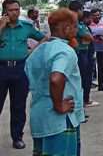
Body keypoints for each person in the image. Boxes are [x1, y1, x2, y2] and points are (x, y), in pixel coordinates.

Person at [24, 8, 84, 155]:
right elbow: (56, 78)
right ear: (66, 28)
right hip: (61, 120)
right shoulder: (64, 51)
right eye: (75, 26)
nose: (76, 30)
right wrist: (58, 106)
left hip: (41, 116)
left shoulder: (39, 49)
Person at [0, 0, 47, 149]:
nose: (14, 13)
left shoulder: (26, 26)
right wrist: (1, 26)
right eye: (11, 10)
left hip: (21, 70)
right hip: (1, 69)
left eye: (17, 9)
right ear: (4, 11)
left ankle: (17, 137)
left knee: (19, 106)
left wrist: (33, 51)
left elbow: (44, 38)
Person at [68, 3, 97, 110]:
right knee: (80, 79)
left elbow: (89, 38)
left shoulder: (77, 22)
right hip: (78, 53)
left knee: (83, 78)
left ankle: (80, 105)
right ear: (80, 10)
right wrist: (88, 38)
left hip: (81, 52)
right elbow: (88, 36)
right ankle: (78, 106)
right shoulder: (73, 21)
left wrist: (89, 40)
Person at [88, 8, 103, 92]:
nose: (97, 17)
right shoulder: (89, 25)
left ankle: (101, 85)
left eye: (98, 15)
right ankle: (89, 83)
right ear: (91, 16)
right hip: (92, 47)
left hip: (101, 47)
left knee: (101, 67)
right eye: (95, 16)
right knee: (91, 66)